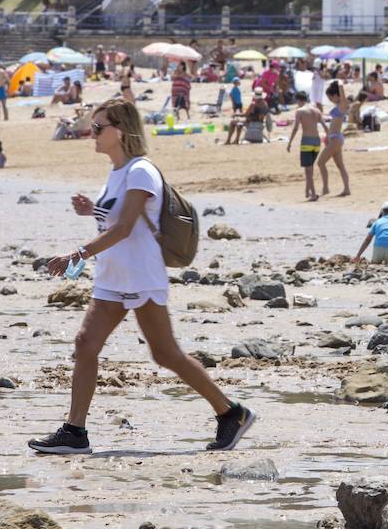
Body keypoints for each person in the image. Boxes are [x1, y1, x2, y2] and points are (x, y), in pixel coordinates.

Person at [31, 98, 255, 456]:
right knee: (85, 344)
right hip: (113, 275)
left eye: (100, 127)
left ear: (121, 131)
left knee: (166, 355)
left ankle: (232, 413)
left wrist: (77, 253)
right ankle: (75, 431)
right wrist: (94, 210)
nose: (93, 133)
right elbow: (116, 219)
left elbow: (123, 228)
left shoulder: (141, 170)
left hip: (140, 274)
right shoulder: (118, 171)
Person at [286, 91, 324, 201]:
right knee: (310, 167)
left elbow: (296, 128)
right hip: (317, 141)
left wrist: (290, 142)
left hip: (306, 141)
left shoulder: (299, 111)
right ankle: (307, 191)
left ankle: (313, 194)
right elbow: (324, 125)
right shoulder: (316, 110)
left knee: (308, 171)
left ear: (298, 100)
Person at [317, 80, 350, 197]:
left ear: (336, 95)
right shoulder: (338, 106)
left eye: (331, 98)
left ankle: (326, 188)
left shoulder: (342, 105)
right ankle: (346, 189)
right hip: (335, 138)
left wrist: (339, 83)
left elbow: (343, 94)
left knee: (320, 163)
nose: (330, 100)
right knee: (340, 165)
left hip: (336, 138)